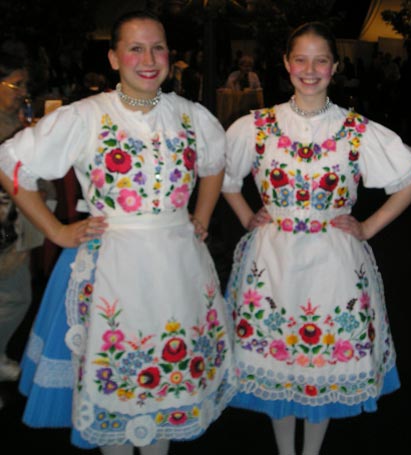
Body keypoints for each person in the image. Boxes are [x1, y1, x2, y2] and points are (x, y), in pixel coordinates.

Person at [0, 10, 237, 454]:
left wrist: (201, 216)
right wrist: (56, 230)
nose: (149, 58)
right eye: (135, 48)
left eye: (158, 47)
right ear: (113, 58)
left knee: (166, 382)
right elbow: (10, 163)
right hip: (113, 268)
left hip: (178, 267)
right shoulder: (86, 116)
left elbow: (214, 162)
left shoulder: (191, 115)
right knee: (117, 384)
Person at [222, 22, 411, 455]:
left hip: (333, 262)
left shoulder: (356, 130)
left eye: (321, 60)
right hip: (272, 260)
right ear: (286, 64)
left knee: (322, 366)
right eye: (301, 59)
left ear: (334, 66)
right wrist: (247, 216)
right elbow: (222, 176)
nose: (310, 69)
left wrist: (368, 228)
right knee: (278, 361)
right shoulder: (256, 125)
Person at [0, 49, 56, 388]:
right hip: (6, 226)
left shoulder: (15, 120)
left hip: (14, 227)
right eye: (15, 84)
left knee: (17, 296)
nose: (23, 92)